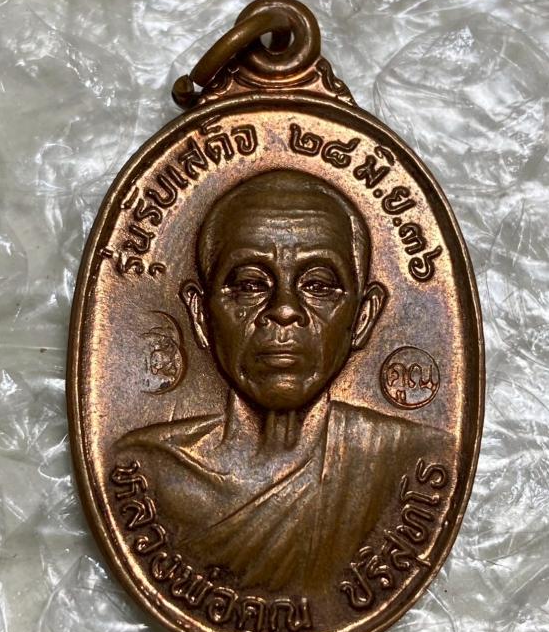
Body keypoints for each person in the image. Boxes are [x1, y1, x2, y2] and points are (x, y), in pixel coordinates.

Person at [115, 170, 451, 594]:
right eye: (250, 284)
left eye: (318, 285)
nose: (285, 309)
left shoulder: (408, 459)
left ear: (364, 317)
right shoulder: (147, 470)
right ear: (200, 316)